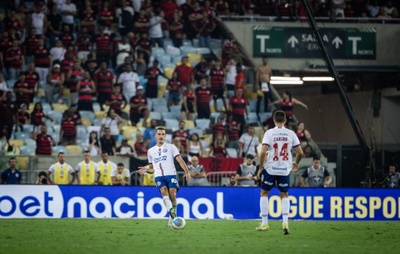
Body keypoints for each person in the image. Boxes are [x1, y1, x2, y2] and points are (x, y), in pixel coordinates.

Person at [256, 110, 304, 234]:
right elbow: (300, 152)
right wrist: (296, 164)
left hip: (271, 168)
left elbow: (262, 152)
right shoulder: (291, 133)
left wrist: (261, 167)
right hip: (284, 169)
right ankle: (285, 223)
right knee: (284, 195)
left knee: (264, 193)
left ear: (273, 120)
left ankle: (265, 224)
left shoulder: (269, 133)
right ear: (285, 121)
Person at [137, 127, 192, 227]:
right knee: (163, 191)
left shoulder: (171, 147)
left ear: (165, 136)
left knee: (172, 194)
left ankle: (171, 217)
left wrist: (187, 171)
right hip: (158, 176)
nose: (161, 136)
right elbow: (152, 169)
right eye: (159, 134)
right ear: (155, 136)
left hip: (171, 174)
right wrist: (146, 170)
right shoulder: (150, 151)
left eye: (163, 134)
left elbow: (179, 160)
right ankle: (173, 214)